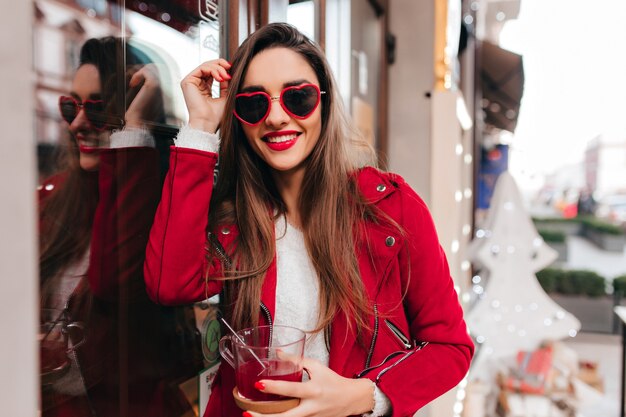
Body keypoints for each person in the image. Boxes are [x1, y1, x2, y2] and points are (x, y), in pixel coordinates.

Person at [145, 23, 473, 417]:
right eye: (253, 103)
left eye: (297, 98)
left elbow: (451, 348)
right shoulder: (236, 220)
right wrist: (199, 127)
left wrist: (362, 396)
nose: (277, 117)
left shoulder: (390, 209)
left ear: (325, 102)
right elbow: (168, 283)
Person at [39, 37, 202, 416]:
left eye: (98, 109)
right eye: (71, 107)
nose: (79, 123)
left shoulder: (161, 205)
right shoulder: (52, 199)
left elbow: (112, 278)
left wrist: (132, 133)